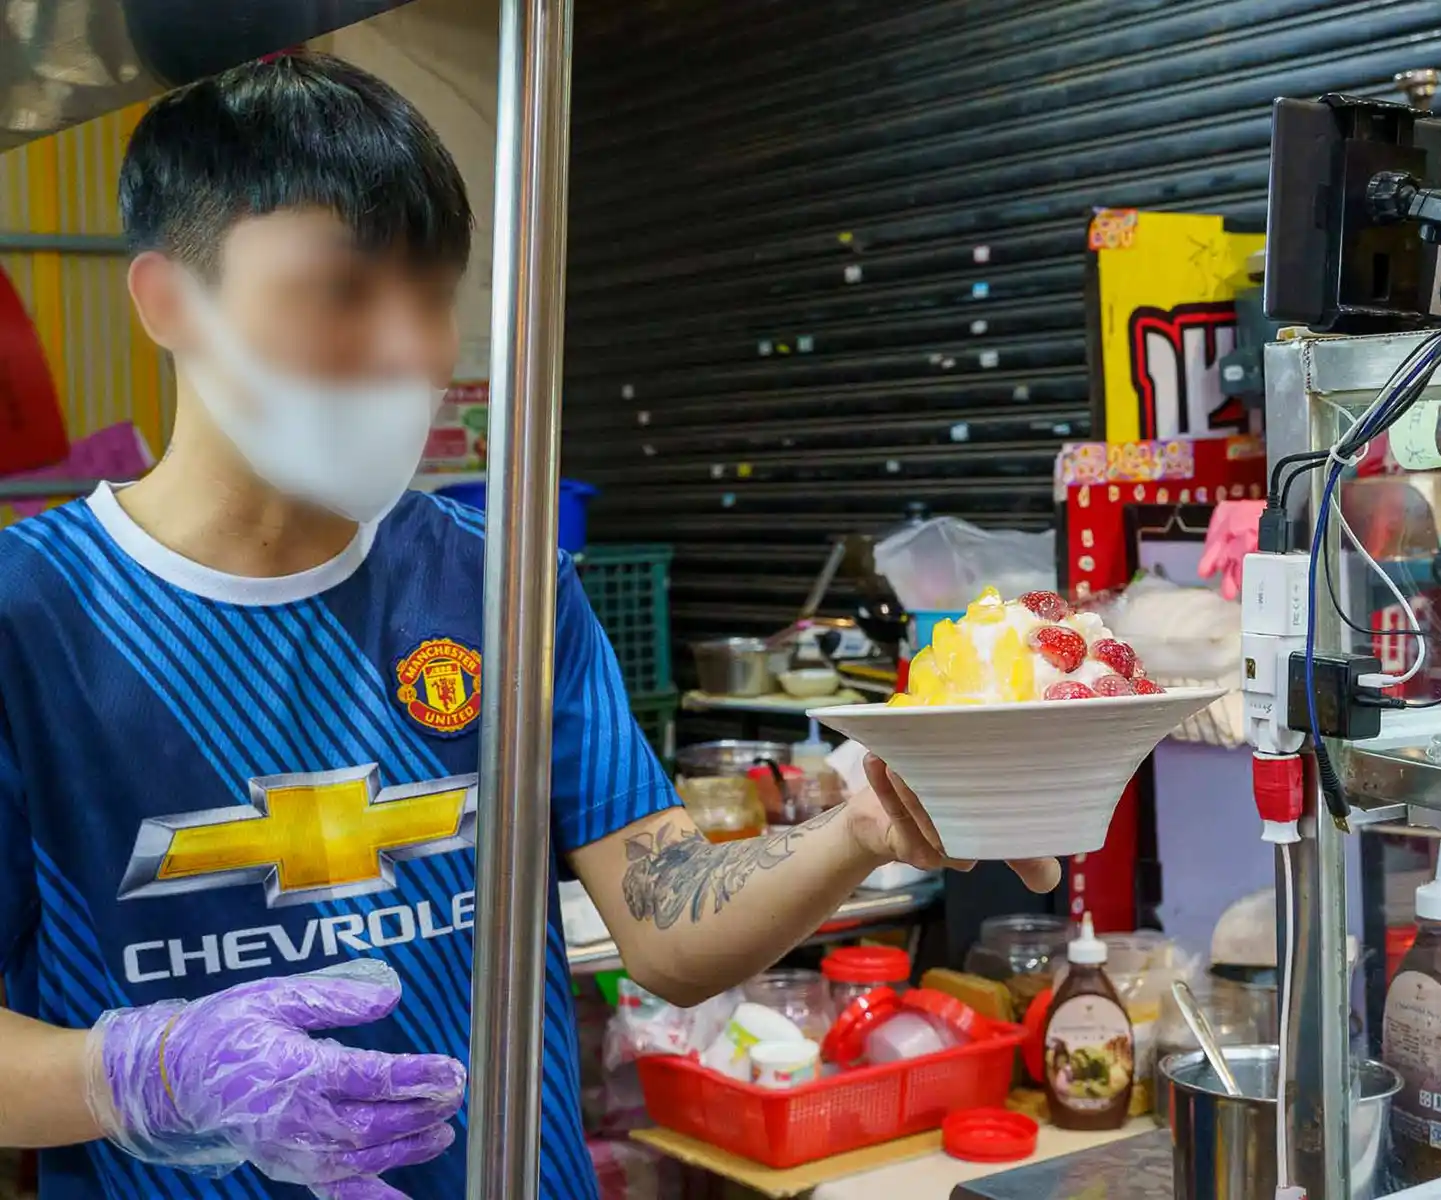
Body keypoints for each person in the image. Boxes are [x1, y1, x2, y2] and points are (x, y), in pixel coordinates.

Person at [0, 52, 1061, 1200]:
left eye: (433, 292)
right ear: (168, 301)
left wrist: (863, 824)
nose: (413, 349)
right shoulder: (30, 617)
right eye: (346, 293)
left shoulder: (501, 586)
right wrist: (147, 1076)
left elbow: (664, 925)